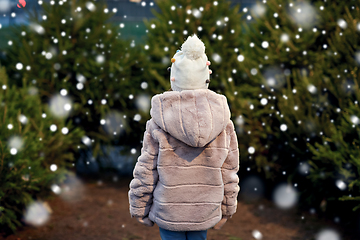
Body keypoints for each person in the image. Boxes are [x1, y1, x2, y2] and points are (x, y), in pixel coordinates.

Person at [128, 34, 240, 240]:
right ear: (207, 76)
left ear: (173, 78)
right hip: (204, 209)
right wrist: (227, 206)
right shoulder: (223, 121)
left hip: (170, 209)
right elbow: (229, 170)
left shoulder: (159, 120)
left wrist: (139, 205)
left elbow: (146, 168)